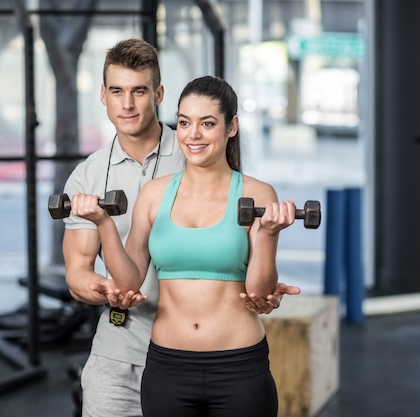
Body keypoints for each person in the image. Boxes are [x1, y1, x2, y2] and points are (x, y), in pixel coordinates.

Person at [62, 39, 300, 417]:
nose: (127, 104)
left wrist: (266, 254)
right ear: (103, 96)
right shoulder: (92, 176)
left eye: (138, 91)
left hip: (231, 359)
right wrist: (106, 285)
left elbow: (256, 282)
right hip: (135, 348)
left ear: (157, 95)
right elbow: (83, 272)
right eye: (118, 92)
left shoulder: (204, 159)